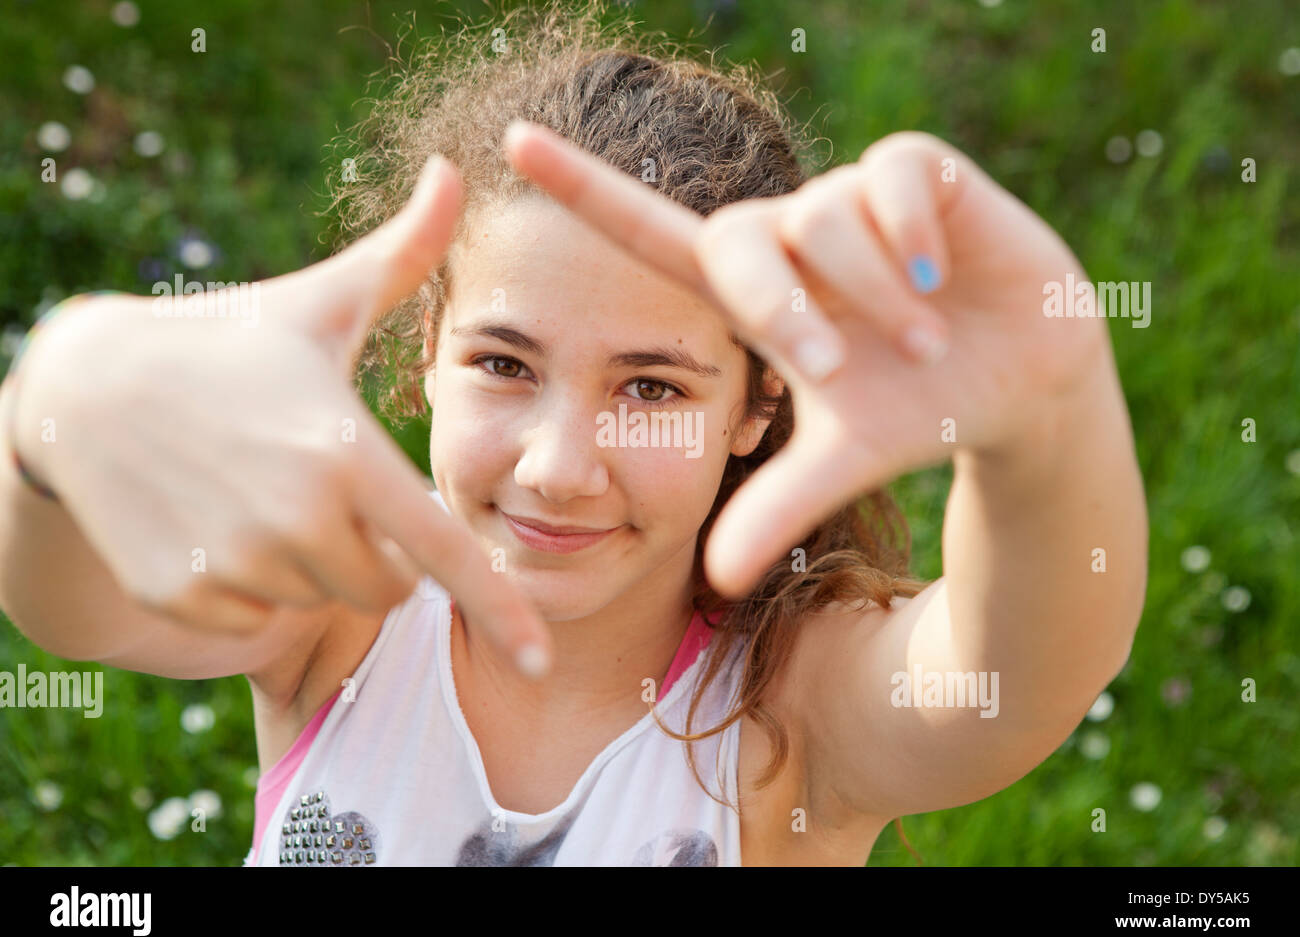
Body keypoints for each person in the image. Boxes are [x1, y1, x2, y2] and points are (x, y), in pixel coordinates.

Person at [0, 1, 1147, 866]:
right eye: (504, 364)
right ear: (428, 346)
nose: (556, 466)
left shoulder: (790, 710)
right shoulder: (340, 615)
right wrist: (53, 411)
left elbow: (1013, 678)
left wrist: (1045, 418)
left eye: (651, 388)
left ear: (757, 403)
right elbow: (63, 604)